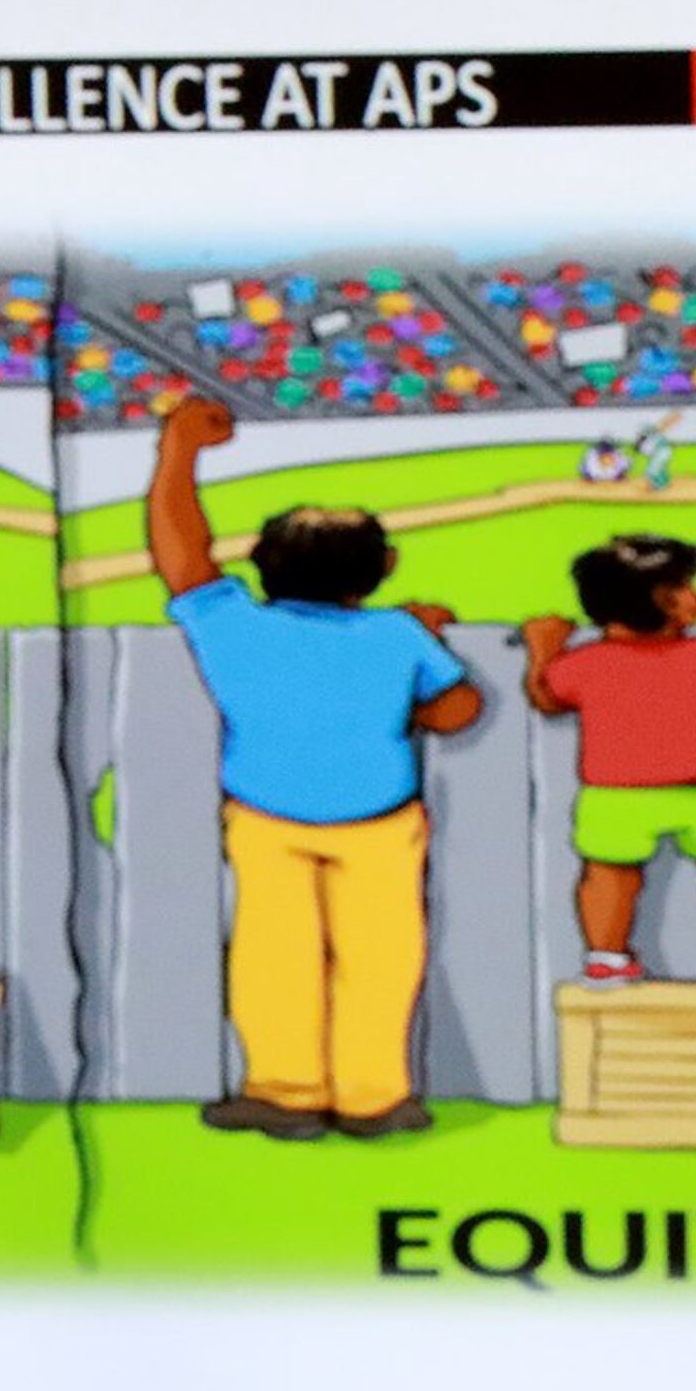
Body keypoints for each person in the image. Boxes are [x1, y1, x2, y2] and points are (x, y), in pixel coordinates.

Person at [147, 391, 484, 1140]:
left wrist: (178, 452)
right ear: (383, 568)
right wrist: (412, 694)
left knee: (273, 953)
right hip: (379, 820)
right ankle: (373, 1095)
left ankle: (285, 1091)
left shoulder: (231, 624)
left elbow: (180, 552)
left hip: (267, 816)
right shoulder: (397, 634)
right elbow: (460, 709)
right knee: (383, 955)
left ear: (260, 568)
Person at [522, 533, 696, 989]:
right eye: (683, 587)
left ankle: (606, 956)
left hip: (618, 794)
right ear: (659, 601)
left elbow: (547, 696)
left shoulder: (588, 662)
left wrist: (543, 648)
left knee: (609, 872)